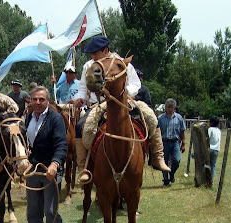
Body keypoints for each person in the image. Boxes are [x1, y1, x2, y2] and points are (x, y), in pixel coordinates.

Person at [73, 36, 170, 184]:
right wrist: (79, 98)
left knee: (151, 117)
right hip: (97, 105)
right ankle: (83, 168)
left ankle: (158, 157)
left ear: (105, 50)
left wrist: (123, 93)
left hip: (122, 102)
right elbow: (82, 87)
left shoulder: (121, 63)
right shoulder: (89, 66)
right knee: (80, 126)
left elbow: (135, 83)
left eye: (95, 53)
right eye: (91, 54)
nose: (92, 57)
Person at [25, 86, 67, 223]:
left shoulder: (56, 119)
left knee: (50, 212)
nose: (37, 102)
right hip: (32, 171)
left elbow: (61, 144)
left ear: (47, 101)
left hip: (50, 172)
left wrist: (54, 163)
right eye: (34, 99)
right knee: (33, 211)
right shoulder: (27, 118)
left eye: (41, 99)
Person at [157, 98, 186, 187]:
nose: (169, 109)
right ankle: (166, 180)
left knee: (177, 160)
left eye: (171, 107)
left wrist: (183, 143)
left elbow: (182, 131)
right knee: (163, 162)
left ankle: (172, 173)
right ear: (165, 108)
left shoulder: (179, 118)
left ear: (174, 108)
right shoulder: (160, 118)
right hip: (164, 142)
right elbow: (157, 131)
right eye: (168, 107)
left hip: (175, 143)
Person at [208, 116, 221, 183]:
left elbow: (207, 138)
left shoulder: (210, 129)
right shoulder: (219, 130)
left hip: (209, 149)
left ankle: (205, 178)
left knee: (205, 163)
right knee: (213, 166)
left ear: (211, 123)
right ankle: (211, 180)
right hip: (216, 149)